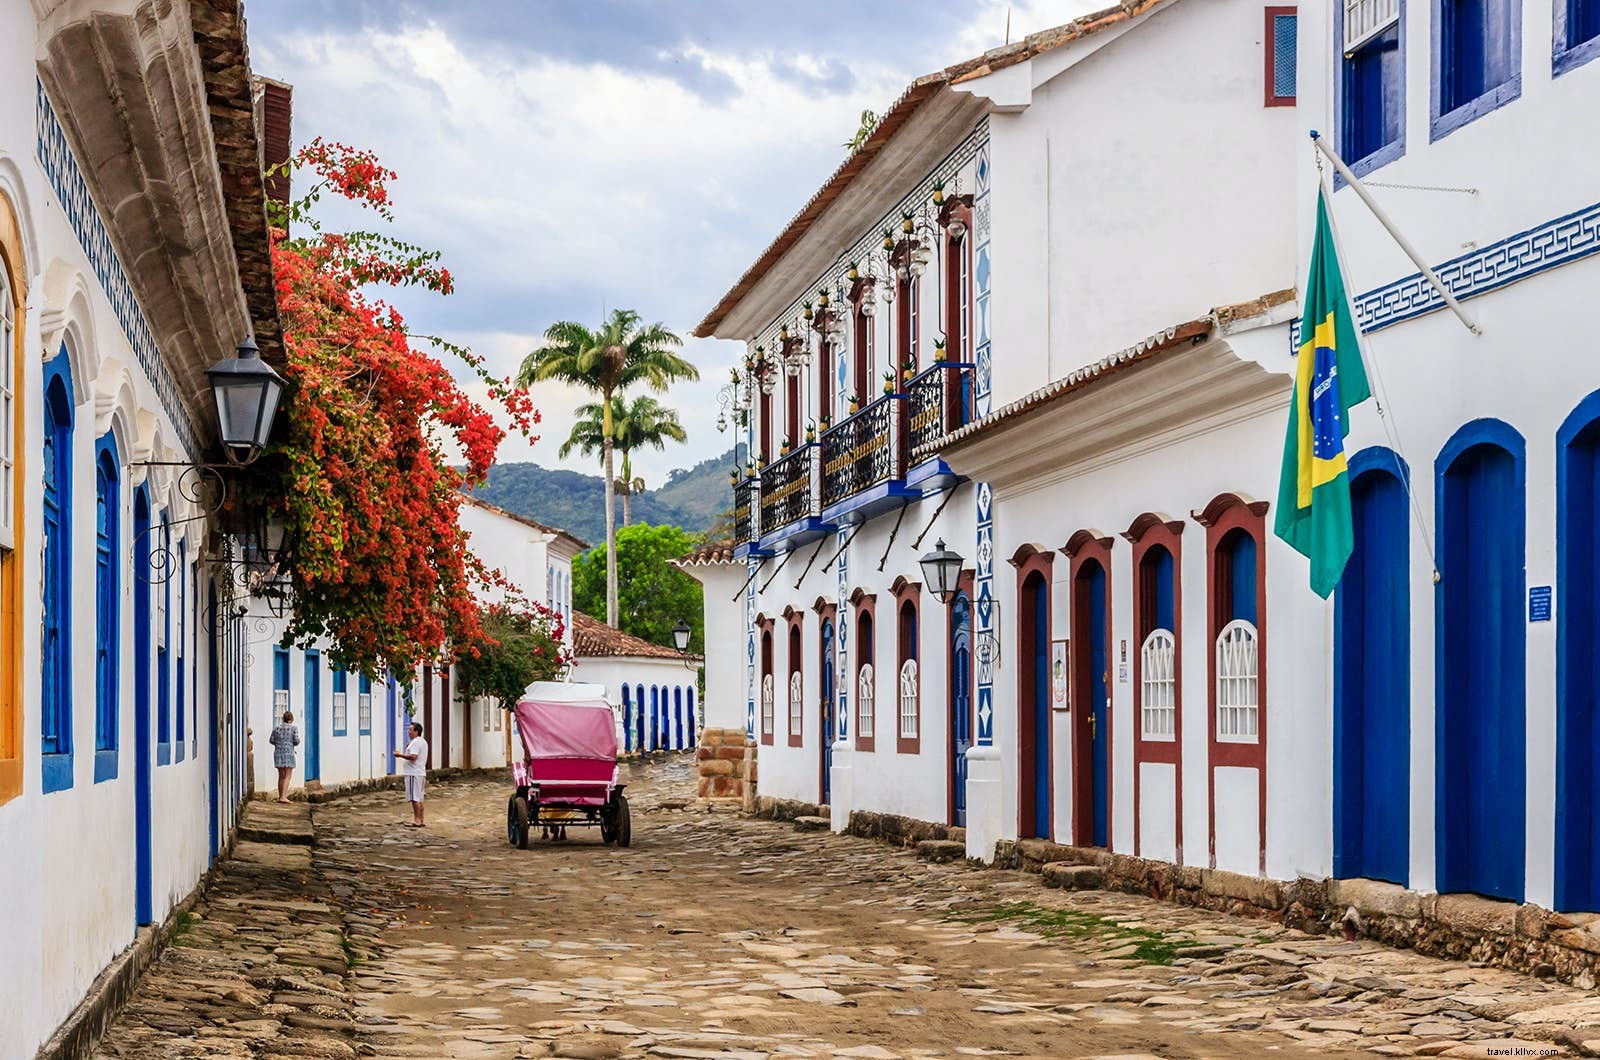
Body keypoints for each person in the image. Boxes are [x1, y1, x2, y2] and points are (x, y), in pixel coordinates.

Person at [392, 721, 429, 828]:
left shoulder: (416, 742)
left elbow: (413, 757)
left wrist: (400, 755)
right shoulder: (422, 742)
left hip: (413, 773)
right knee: (419, 797)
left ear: (416, 732)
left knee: (414, 798)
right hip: (420, 773)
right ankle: (421, 819)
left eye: (411, 730)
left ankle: (417, 820)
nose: (408, 732)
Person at [268, 711, 300, 803]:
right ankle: (283, 797)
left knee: (281, 776)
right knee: (287, 776)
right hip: (289, 754)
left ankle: (280, 796)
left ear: (283, 718)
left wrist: (279, 744)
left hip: (278, 753)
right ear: (291, 719)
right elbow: (296, 741)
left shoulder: (276, 728)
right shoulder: (293, 728)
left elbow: (271, 740)